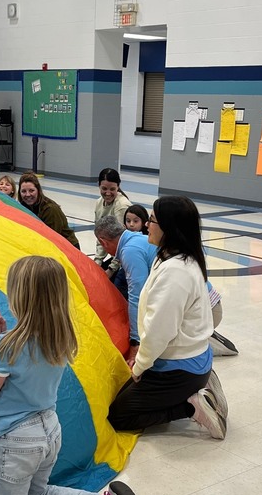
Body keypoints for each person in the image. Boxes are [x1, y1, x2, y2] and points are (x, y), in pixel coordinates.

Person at [0, 256, 157, 495]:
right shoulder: (62, 337)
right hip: (49, 430)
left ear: (18, 296)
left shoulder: (8, 346)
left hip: (16, 441)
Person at [107, 196, 229, 439]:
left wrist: (139, 365)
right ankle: (196, 386)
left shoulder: (176, 272)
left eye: (151, 220)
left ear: (169, 228)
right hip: (184, 357)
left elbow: (159, 331)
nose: (146, 225)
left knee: (119, 416)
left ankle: (192, 405)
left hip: (180, 366)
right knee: (123, 395)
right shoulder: (172, 256)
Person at [95, 216, 156, 364]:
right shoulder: (136, 239)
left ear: (103, 242)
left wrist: (135, 342)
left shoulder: (130, 250)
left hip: (200, 310)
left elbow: (137, 296)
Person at [17, 172, 80, 249]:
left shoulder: (50, 209)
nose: (27, 195)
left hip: (68, 248)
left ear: (38, 190)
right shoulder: (23, 207)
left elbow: (52, 238)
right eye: (23, 191)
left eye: (31, 190)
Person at [93, 169, 132, 271]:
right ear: (99, 185)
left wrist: (112, 269)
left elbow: (122, 241)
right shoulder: (99, 202)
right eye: (104, 188)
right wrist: (97, 261)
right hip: (115, 254)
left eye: (112, 189)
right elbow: (101, 236)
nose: (108, 193)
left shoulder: (122, 206)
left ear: (118, 187)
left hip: (126, 256)